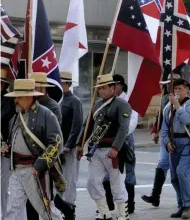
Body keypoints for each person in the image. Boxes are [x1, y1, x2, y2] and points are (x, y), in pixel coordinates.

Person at [3, 79, 64, 220]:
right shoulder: (15, 118)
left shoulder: (47, 115)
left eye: (19, 97)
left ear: (30, 97)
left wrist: (39, 165)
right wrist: (8, 149)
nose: (15, 101)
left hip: (35, 170)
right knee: (13, 208)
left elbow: (56, 144)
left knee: (45, 210)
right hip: (17, 169)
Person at [76, 74, 131, 220]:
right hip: (97, 149)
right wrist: (80, 144)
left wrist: (115, 148)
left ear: (113, 88)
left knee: (116, 184)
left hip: (113, 149)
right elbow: (87, 126)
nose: (101, 91)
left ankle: (122, 214)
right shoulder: (97, 104)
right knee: (92, 182)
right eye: (99, 88)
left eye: (104, 88)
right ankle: (104, 212)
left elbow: (123, 128)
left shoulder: (121, 104)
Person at [160, 78, 190, 219]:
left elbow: (188, 120)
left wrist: (177, 105)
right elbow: (164, 128)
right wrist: (166, 142)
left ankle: (188, 205)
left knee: (182, 172)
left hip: (187, 142)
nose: (177, 91)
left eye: (180, 88)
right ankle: (181, 205)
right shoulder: (167, 108)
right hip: (174, 144)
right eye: (175, 89)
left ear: (187, 89)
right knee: (175, 177)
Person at [27, 72, 63, 219]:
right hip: (30, 159)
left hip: (46, 157)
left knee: (46, 199)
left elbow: (55, 137)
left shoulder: (52, 107)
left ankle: (66, 209)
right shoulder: (30, 105)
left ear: (43, 88)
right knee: (31, 199)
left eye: (37, 87)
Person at [141, 73, 181, 207]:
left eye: (172, 82)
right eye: (168, 83)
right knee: (162, 164)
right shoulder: (164, 98)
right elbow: (160, 115)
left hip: (179, 138)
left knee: (180, 171)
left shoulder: (184, 99)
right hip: (166, 137)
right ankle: (155, 196)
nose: (169, 85)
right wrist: (155, 130)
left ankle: (185, 198)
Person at [100, 74, 138, 214]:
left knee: (128, 171)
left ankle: (130, 204)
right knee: (107, 173)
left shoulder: (128, 100)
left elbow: (132, 121)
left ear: (121, 85)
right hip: (109, 141)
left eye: (115, 84)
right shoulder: (106, 101)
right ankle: (109, 204)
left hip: (126, 139)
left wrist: (121, 135)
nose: (113, 87)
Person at [53, 72, 83, 220]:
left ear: (67, 84)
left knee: (69, 178)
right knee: (57, 178)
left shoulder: (74, 101)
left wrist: (69, 145)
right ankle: (61, 207)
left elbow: (77, 126)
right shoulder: (57, 100)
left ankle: (69, 207)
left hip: (68, 148)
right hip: (56, 146)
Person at [1, 69, 16, 219]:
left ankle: (4, 214)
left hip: (5, 145)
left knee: (4, 183)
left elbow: (4, 117)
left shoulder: (8, 100)